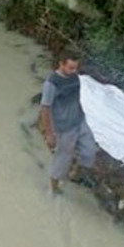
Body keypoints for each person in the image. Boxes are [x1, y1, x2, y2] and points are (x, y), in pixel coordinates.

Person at [39, 51, 98, 194]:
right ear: (61, 64)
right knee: (62, 159)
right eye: (71, 68)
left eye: (76, 68)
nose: (74, 71)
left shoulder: (76, 77)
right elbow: (45, 108)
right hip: (64, 128)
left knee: (90, 151)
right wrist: (49, 134)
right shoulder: (52, 83)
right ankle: (54, 188)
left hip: (80, 121)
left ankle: (74, 174)